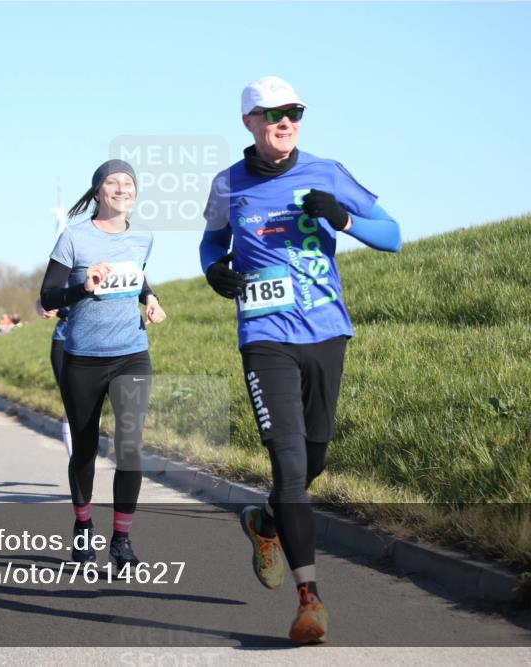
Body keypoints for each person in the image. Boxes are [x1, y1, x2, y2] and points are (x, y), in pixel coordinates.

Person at [199, 75, 402, 644]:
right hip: (264, 336)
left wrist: (343, 219)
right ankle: (310, 599)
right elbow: (212, 241)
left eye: (293, 112)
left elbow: (393, 235)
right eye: (272, 113)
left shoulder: (327, 172)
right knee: (288, 466)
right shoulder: (228, 184)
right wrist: (214, 269)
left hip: (326, 332)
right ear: (249, 123)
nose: (284, 121)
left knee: (314, 459)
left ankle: (265, 522)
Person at [40, 159, 166, 569]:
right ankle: (82, 525)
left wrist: (151, 298)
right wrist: (83, 286)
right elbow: (48, 295)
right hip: (83, 358)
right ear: (98, 192)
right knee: (85, 449)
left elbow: (137, 277)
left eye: (128, 182)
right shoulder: (74, 238)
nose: (121, 188)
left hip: (131, 354)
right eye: (112, 182)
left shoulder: (143, 237)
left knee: (130, 449)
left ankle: (122, 541)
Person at [35, 298, 72, 457]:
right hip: (63, 341)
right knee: (71, 401)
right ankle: (75, 462)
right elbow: (42, 299)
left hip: (94, 341)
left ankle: (86, 455)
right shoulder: (62, 279)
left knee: (92, 402)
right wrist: (42, 308)